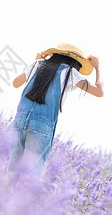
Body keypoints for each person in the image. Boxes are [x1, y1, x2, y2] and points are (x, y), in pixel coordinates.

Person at [7, 43, 104, 182]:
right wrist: (97, 68)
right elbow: (99, 92)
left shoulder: (38, 64)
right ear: (76, 62)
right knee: (28, 180)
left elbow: (16, 83)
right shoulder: (71, 73)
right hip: (42, 126)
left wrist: (35, 61)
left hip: (19, 121)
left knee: (12, 174)